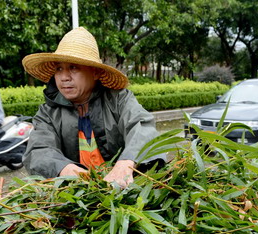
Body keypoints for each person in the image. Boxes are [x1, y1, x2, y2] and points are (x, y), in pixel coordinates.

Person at [21, 27, 163, 188]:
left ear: (95, 73)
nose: (64, 77)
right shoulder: (48, 113)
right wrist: (66, 170)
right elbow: (38, 150)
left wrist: (126, 162)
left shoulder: (118, 100)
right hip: (77, 192)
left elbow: (142, 127)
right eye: (59, 69)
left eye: (73, 67)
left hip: (123, 188)